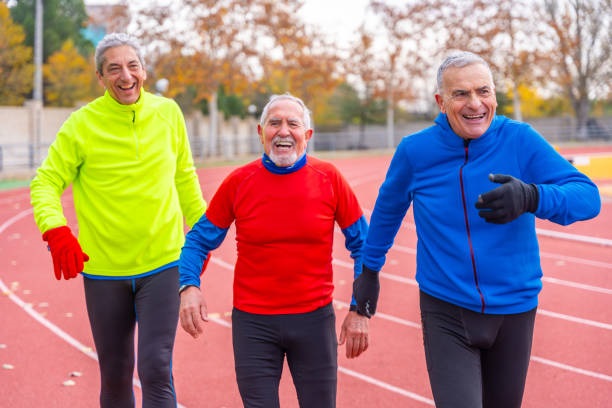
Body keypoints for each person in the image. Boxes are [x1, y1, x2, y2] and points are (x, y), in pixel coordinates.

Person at [352, 51, 601, 408]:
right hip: (446, 306)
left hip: (515, 308)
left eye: (483, 91)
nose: (475, 104)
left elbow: (588, 197)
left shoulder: (520, 139)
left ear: (495, 95)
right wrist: (369, 271)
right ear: (440, 102)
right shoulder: (415, 151)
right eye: (461, 94)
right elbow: (386, 215)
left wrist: (532, 196)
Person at [30, 32, 207, 408]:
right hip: (104, 270)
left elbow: (185, 179)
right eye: (114, 69)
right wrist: (55, 230)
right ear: (101, 78)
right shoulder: (81, 125)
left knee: (157, 367)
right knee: (115, 372)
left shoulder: (168, 113)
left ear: (143, 71)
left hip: (163, 262)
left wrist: (205, 235)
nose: (125, 76)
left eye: (132, 66)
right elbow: (46, 181)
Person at [178, 93, 370, 408]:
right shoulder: (239, 182)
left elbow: (365, 246)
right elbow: (198, 240)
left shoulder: (329, 179)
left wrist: (360, 308)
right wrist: (188, 285)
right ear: (261, 132)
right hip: (253, 324)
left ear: (307, 135)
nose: (283, 131)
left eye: (292, 123)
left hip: (313, 320)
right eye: (274, 123)